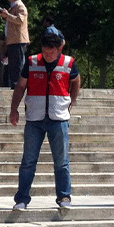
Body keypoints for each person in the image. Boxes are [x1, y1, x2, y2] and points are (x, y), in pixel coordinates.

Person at [10, 32, 81, 211]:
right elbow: (20, 86)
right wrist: (14, 109)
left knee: (62, 161)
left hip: (59, 118)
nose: (48, 54)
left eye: (52, 51)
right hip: (35, 118)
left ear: (59, 49)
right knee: (28, 161)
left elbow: (76, 81)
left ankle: (64, 196)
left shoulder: (68, 63)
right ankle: (22, 199)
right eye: (45, 50)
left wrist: (71, 102)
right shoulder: (33, 62)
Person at [0, 0, 29, 89]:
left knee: (18, 63)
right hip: (12, 40)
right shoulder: (13, 7)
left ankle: (18, 84)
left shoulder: (20, 6)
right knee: (13, 63)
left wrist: (8, 15)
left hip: (18, 40)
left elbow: (20, 20)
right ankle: (14, 83)